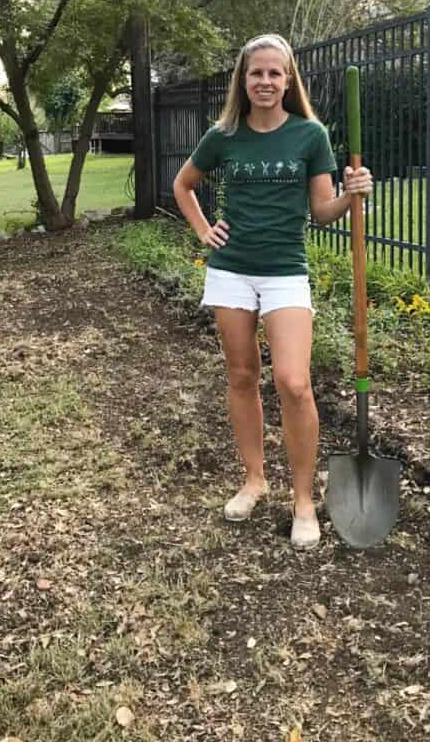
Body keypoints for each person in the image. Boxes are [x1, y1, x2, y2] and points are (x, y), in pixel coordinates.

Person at [173, 33, 372, 550]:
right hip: (232, 271)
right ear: (244, 79)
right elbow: (183, 184)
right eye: (256, 73)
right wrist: (202, 230)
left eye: (274, 74)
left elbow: (322, 213)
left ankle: (304, 500)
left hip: (285, 270)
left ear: (288, 81)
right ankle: (255, 480)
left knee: (294, 381)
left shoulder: (310, 136)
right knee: (241, 375)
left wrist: (353, 197)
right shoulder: (224, 135)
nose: (265, 81)